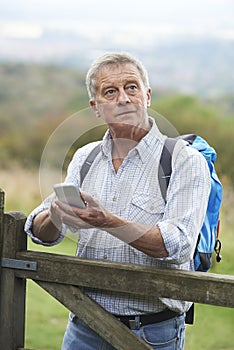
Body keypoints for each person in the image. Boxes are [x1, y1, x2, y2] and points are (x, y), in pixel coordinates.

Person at [25, 52, 211, 350]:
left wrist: (107, 221)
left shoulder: (184, 161)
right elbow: (39, 231)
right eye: (110, 92)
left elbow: (177, 245)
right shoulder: (85, 157)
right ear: (96, 107)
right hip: (84, 325)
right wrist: (57, 215)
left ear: (147, 96)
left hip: (152, 332)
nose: (123, 98)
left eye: (131, 87)